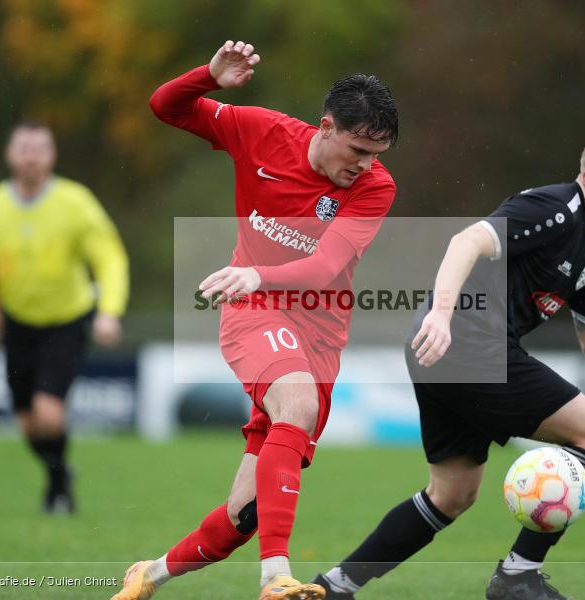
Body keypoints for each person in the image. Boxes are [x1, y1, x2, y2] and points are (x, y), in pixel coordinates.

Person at [310, 128, 585, 600]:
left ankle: (335, 586)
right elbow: (466, 241)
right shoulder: (555, 209)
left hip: (447, 354)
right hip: (466, 346)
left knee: (451, 495)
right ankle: (517, 576)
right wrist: (442, 314)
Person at [111, 40, 398, 600]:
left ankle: (150, 575)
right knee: (297, 402)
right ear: (325, 126)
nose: (365, 164)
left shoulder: (375, 186)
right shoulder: (260, 131)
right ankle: (276, 579)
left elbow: (326, 265)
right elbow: (164, 107)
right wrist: (207, 78)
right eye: (358, 148)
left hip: (319, 334)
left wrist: (262, 275)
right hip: (253, 308)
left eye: (377, 152)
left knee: (245, 514)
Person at [0, 122, 129, 513]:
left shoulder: (76, 202)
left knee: (49, 414)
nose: (31, 156)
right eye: (24, 148)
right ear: (10, 154)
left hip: (67, 321)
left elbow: (109, 258)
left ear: (52, 156)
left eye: (40, 148)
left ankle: (58, 485)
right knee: (28, 424)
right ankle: (59, 474)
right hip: (16, 325)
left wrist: (109, 311)